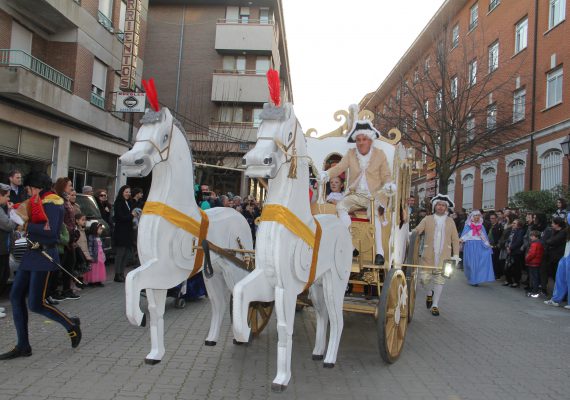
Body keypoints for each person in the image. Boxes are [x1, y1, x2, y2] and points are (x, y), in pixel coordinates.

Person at [0, 172, 81, 360]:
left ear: (35, 187)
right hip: (31, 254)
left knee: (36, 303)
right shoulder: (38, 200)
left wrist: (25, 224)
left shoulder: (53, 202)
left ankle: (71, 325)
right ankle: (23, 345)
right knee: (15, 296)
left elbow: (52, 233)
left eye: (28, 189)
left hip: (44, 256)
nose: (27, 193)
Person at [320, 120, 395, 265]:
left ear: (370, 140)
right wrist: (327, 174)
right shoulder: (351, 154)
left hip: (374, 196)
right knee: (340, 206)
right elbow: (339, 168)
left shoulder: (380, 155)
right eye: (358, 140)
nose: (361, 143)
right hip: (355, 194)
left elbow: (386, 175)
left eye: (364, 139)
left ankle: (379, 252)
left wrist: (389, 185)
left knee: (375, 214)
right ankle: (351, 244)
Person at [413, 194, 460, 316]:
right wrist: (410, 234)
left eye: (443, 205)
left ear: (446, 208)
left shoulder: (450, 221)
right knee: (424, 280)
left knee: (440, 280)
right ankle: (429, 293)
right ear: (435, 206)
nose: (440, 207)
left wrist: (455, 255)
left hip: (444, 256)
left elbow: (455, 239)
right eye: (439, 205)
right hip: (428, 255)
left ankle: (435, 305)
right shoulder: (427, 219)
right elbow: (418, 230)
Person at [460, 210, 495, 286]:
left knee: (478, 263)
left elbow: (484, 237)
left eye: (478, 216)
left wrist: (488, 246)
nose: (477, 217)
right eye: (475, 216)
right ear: (472, 217)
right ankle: (472, 278)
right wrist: (460, 242)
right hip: (470, 245)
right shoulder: (467, 226)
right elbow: (463, 236)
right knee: (470, 263)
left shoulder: (481, 226)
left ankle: (475, 280)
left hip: (479, 246)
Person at [0, 183, 19, 304]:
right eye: (6, 196)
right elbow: (8, 225)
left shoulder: (2, 209)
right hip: (1, 250)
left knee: (4, 275)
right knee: (1, 276)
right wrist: (13, 214)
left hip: (4, 249)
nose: (8, 199)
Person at [112, 185, 134, 283]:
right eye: (126, 192)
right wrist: (131, 215)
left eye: (129, 192)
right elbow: (120, 217)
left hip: (128, 231)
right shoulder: (118, 203)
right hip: (121, 231)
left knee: (126, 254)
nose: (128, 194)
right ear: (122, 192)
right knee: (120, 253)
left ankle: (122, 273)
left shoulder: (129, 202)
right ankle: (117, 274)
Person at [540, 217, 567, 296]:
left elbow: (552, 241)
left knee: (557, 276)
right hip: (551, 257)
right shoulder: (553, 231)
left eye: (553, 223)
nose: (551, 225)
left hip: (557, 257)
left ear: (557, 224)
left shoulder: (562, 232)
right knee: (551, 274)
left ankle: (562, 294)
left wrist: (547, 241)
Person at [83, 222, 106, 287]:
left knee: (99, 268)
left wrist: (103, 253)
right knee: (94, 269)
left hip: (100, 255)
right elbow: (90, 246)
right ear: (95, 229)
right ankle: (92, 282)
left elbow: (101, 246)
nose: (101, 230)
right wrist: (90, 255)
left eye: (101, 229)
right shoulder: (91, 237)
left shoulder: (99, 237)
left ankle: (98, 280)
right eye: (100, 229)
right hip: (94, 255)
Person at [504, 219, 525, 288]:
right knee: (507, 266)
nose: (513, 224)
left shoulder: (521, 231)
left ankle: (516, 281)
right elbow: (508, 240)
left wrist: (511, 248)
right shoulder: (512, 231)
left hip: (516, 252)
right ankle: (508, 280)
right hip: (509, 251)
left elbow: (519, 241)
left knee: (516, 268)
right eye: (513, 223)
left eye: (514, 223)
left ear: (519, 225)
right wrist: (507, 246)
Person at [525, 230, 544, 297]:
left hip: (533, 262)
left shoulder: (534, 244)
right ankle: (534, 289)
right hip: (537, 262)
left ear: (536, 237)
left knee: (533, 277)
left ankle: (534, 290)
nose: (531, 237)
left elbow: (532, 254)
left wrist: (527, 259)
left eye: (532, 236)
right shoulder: (540, 243)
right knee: (535, 276)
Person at [487, 213, 504, 279]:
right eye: (491, 218)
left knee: (496, 260)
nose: (491, 220)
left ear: (496, 219)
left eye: (493, 218)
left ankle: (497, 274)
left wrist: (496, 245)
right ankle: (492, 272)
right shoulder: (491, 226)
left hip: (495, 246)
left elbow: (500, 237)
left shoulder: (499, 227)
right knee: (492, 260)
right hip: (489, 245)